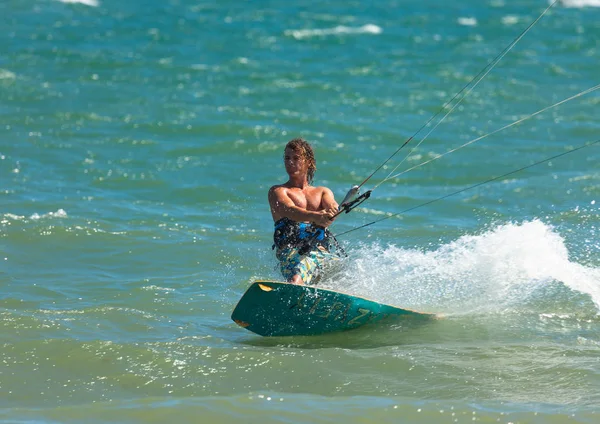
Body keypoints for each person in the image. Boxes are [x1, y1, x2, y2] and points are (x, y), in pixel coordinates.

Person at [268, 138, 340, 285]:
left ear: (309, 162)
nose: (290, 162)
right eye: (287, 158)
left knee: (344, 272)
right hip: (293, 253)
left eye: (296, 158)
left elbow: (331, 206)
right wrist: (317, 216)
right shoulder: (278, 191)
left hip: (321, 253)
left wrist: (332, 211)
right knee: (296, 278)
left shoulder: (322, 192)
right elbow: (291, 211)